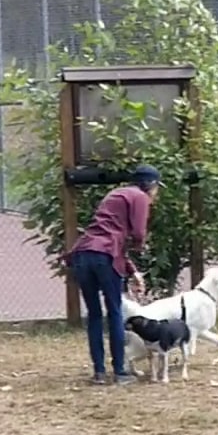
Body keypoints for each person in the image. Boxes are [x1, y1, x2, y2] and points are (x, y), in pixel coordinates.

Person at [64, 164, 161, 384]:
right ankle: (119, 372)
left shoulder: (116, 194)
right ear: (151, 185)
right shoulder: (140, 197)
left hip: (82, 254)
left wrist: (132, 271)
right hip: (106, 255)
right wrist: (140, 246)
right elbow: (137, 233)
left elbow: (107, 237)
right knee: (115, 311)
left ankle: (99, 372)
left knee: (94, 314)